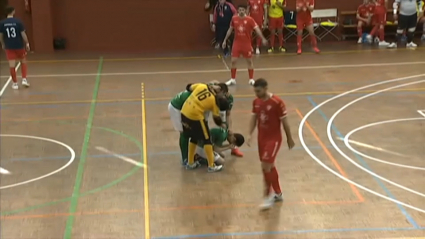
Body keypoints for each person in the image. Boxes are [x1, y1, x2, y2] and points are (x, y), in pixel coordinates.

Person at [247, 78, 295, 210]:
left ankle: (267, 197)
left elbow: (284, 121)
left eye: (258, 91)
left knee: (265, 166)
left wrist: (289, 138)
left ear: (265, 88)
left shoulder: (277, 102)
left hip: (273, 139)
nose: (256, 94)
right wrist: (250, 134)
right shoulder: (256, 102)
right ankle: (278, 193)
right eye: (255, 91)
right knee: (269, 166)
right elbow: (254, 118)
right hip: (261, 138)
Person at [168, 82, 228, 166]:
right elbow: (211, 119)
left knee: (196, 133)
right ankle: (185, 159)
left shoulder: (206, 89)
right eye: (223, 94)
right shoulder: (211, 99)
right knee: (184, 133)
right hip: (177, 107)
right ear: (219, 91)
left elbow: (188, 86)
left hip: (188, 108)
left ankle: (193, 157)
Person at [222, 4, 268, 86]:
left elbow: (257, 29)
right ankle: (233, 79)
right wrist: (225, 40)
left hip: (246, 44)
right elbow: (230, 29)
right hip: (237, 43)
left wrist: (263, 38)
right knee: (233, 61)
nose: (241, 11)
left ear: (245, 10)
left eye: (243, 10)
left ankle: (251, 79)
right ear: (238, 11)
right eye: (240, 10)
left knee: (249, 62)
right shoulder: (234, 18)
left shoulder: (250, 19)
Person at [0, 6, 30, 90]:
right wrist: (27, 43)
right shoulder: (18, 22)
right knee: (23, 61)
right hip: (19, 45)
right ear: (13, 12)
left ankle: (15, 83)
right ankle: (24, 79)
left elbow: (1, 35)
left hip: (9, 46)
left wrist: (3, 44)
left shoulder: (2, 23)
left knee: (11, 65)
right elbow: (23, 34)